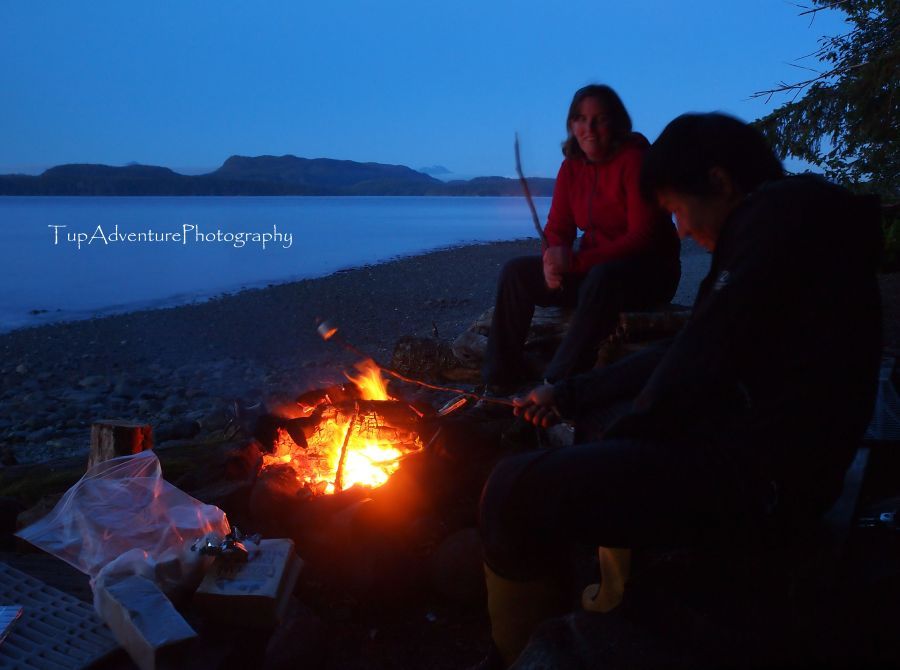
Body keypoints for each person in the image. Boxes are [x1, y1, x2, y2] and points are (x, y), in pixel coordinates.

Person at [476, 113, 883, 668]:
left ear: (719, 182)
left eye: (676, 210)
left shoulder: (774, 224)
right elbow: (692, 346)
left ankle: (513, 652)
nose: (682, 231)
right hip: (779, 456)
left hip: (765, 484)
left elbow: (694, 360)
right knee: (596, 427)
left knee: (509, 489)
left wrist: (617, 443)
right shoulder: (791, 222)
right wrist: (568, 393)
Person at [482, 84, 680, 391]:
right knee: (516, 272)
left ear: (615, 122)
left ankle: (556, 386)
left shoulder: (635, 160)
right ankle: (496, 384)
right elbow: (558, 227)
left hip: (648, 273)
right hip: (592, 271)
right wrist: (551, 260)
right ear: (572, 124)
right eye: (581, 119)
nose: (589, 128)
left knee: (603, 277)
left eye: (599, 119)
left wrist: (575, 262)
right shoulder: (571, 167)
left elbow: (643, 238)